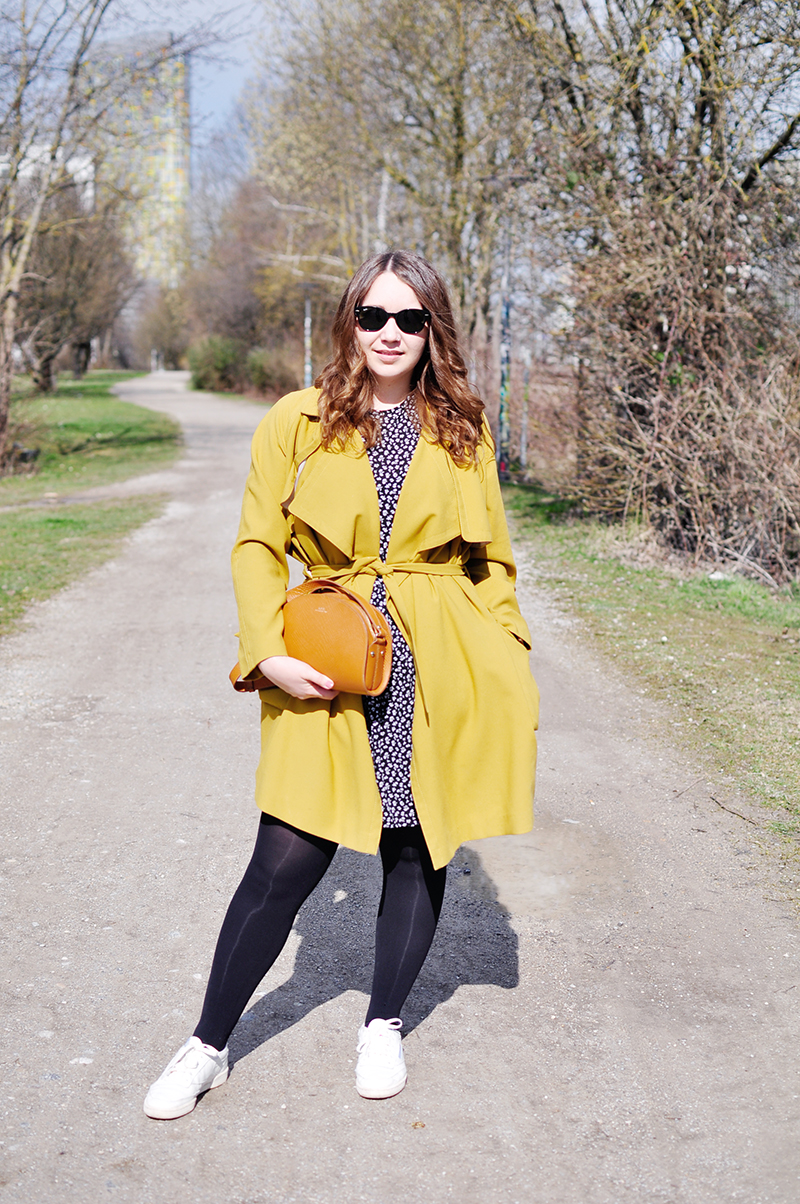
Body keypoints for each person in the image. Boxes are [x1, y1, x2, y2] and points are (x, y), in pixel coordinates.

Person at [143, 250, 539, 1119]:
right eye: (373, 315)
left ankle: (384, 1022)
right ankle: (206, 1045)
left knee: (417, 845)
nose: (390, 333)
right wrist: (265, 652)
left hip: (440, 662)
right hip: (325, 657)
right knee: (283, 859)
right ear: (349, 321)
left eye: (410, 319)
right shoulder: (298, 420)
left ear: (433, 329)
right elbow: (257, 545)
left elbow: (492, 562)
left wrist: (507, 648)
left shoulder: (463, 427)